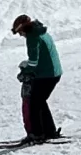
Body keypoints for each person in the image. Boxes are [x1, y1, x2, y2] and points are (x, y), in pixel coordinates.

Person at [12, 14, 63, 142]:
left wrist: (25, 72)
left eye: (20, 32)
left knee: (34, 103)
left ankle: (37, 134)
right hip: (53, 72)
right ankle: (49, 131)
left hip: (47, 74)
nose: (21, 35)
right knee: (40, 101)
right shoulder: (40, 32)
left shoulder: (32, 37)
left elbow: (33, 62)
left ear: (24, 28)